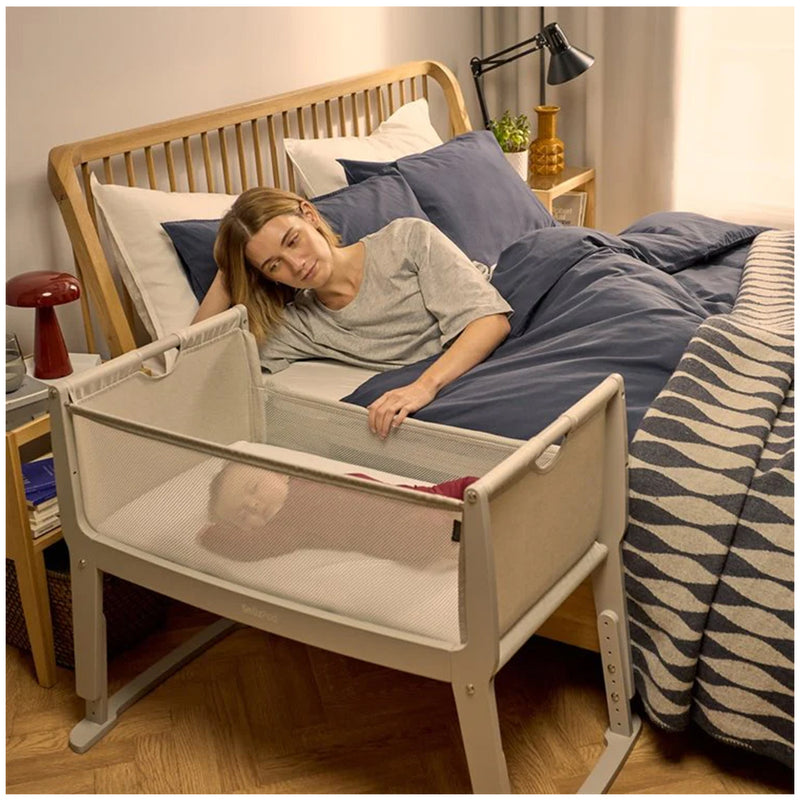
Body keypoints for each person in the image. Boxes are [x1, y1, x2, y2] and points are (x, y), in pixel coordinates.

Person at [193, 187, 511, 438]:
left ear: (309, 215)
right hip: (469, 374)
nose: (297, 264)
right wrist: (227, 277)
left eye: (293, 241)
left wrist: (422, 387)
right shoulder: (299, 326)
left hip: (511, 306)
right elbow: (195, 364)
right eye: (274, 265)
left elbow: (491, 322)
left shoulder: (406, 239)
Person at [199, 459, 477, 566]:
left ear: (279, 473)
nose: (253, 504)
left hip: (408, 495)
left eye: (253, 488)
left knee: (468, 485)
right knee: (427, 527)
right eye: (242, 514)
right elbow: (250, 547)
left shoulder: (305, 475)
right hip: (389, 531)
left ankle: (486, 502)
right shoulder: (285, 526)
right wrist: (209, 534)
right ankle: (465, 538)